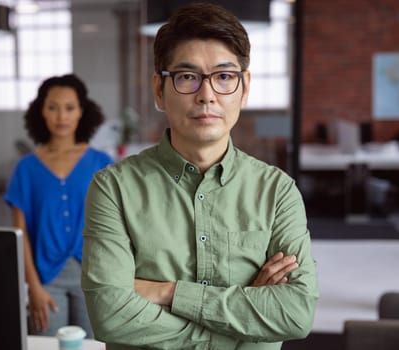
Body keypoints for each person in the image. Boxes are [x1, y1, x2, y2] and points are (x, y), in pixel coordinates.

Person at [81, 3, 318, 349]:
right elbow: (110, 314)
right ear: (159, 90)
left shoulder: (277, 192)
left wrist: (168, 292)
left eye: (224, 77)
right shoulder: (114, 188)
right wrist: (238, 321)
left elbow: (295, 314)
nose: (207, 95)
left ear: (244, 87)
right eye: (187, 77)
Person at [5, 74, 113, 338]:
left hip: (94, 277)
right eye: (53, 107)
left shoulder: (102, 163)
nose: (61, 116)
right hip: (46, 281)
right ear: (41, 111)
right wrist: (33, 288)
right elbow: (21, 237)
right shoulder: (26, 168)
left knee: (93, 347)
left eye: (69, 108)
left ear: (81, 112)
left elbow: (116, 227)